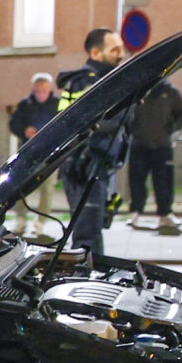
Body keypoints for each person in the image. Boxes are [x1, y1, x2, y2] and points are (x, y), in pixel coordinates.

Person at [52, 27, 127, 260]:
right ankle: (83, 284)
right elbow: (78, 124)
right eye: (114, 49)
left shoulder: (108, 81)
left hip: (96, 167)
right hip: (84, 167)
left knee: (92, 231)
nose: (121, 54)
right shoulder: (88, 83)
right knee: (87, 235)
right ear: (96, 53)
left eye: (121, 48)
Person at [126, 75, 182, 236]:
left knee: (163, 180)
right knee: (136, 179)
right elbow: (127, 114)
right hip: (139, 143)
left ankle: (165, 213)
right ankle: (135, 212)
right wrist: (131, 131)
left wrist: (171, 131)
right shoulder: (138, 92)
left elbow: (181, 113)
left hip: (162, 144)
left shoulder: (170, 92)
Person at [1, 71, 60, 232]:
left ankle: (41, 222)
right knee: (20, 186)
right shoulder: (25, 105)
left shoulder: (58, 104)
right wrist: (24, 131)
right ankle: (21, 219)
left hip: (50, 153)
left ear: (50, 89)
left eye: (44, 91)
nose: (41, 94)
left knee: (47, 188)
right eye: (37, 91)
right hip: (27, 152)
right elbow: (13, 124)